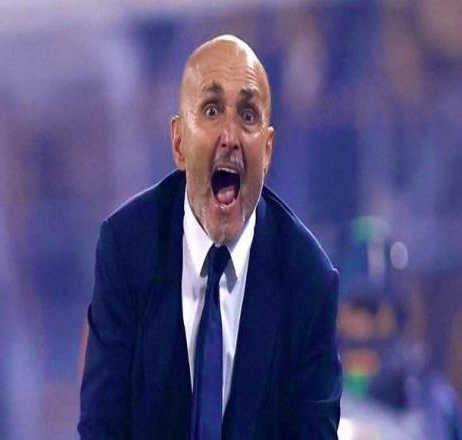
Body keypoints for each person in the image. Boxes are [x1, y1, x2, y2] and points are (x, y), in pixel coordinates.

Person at [78, 34, 341, 439]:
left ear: (267, 151)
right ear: (179, 142)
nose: (230, 136)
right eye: (212, 110)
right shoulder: (127, 248)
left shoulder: (308, 278)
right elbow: (102, 427)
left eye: (248, 115)